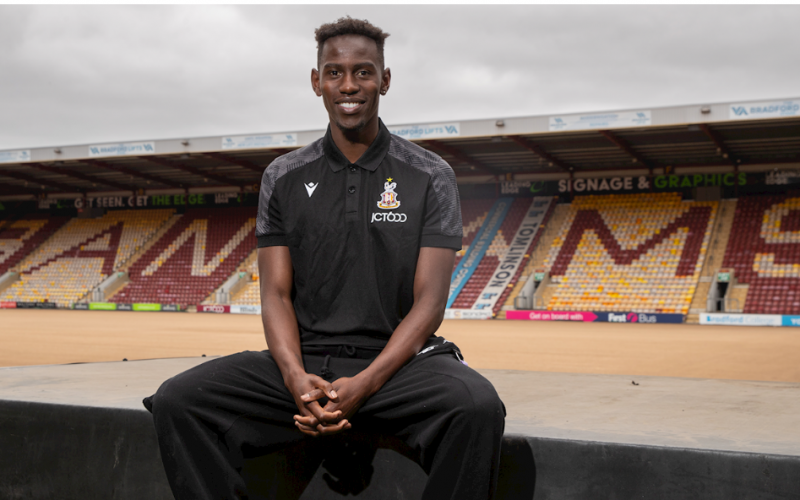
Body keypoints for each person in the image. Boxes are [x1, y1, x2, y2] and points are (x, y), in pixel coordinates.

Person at [145, 16, 505, 500]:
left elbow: (430, 303)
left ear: (386, 79)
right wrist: (294, 376)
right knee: (178, 401)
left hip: (399, 368)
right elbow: (274, 293)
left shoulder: (429, 174)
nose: (349, 85)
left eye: (363, 71)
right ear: (316, 82)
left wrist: (366, 384)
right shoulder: (283, 175)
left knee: (477, 408)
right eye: (334, 72)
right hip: (305, 362)